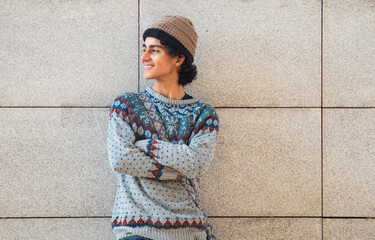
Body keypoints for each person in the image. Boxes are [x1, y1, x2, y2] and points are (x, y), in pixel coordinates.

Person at [107, 15, 219, 240]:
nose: (144, 57)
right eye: (144, 49)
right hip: (136, 231)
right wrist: (173, 170)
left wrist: (147, 144)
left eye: (154, 50)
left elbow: (196, 163)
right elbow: (121, 158)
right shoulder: (127, 105)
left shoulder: (203, 114)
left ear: (178, 58)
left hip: (190, 231)